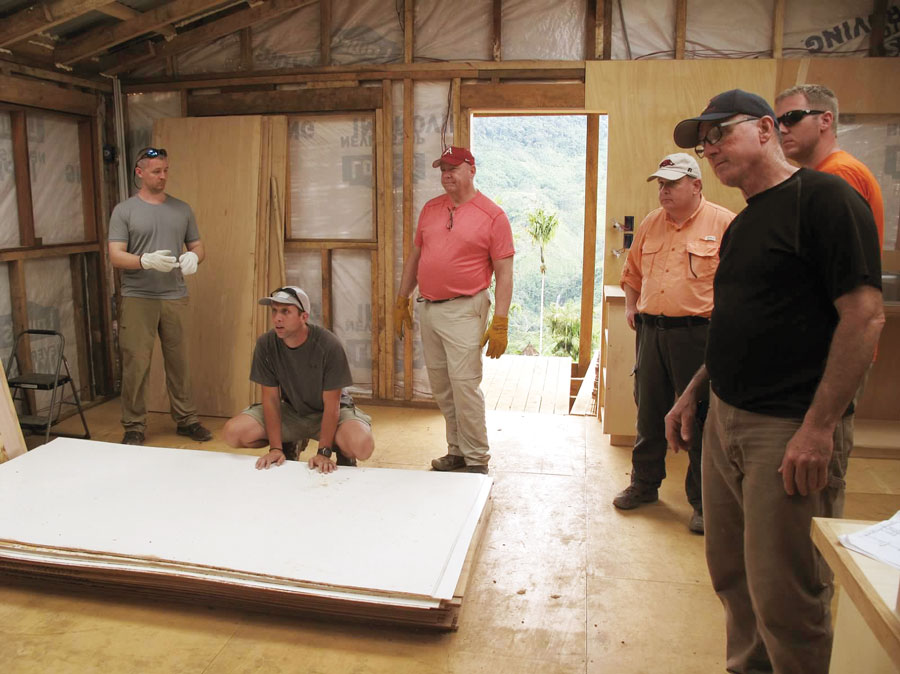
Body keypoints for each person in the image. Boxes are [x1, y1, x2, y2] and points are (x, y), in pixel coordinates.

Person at [667, 89, 884, 673]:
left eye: (720, 133)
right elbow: (744, 320)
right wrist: (695, 391)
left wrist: (817, 430)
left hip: (787, 429)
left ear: (766, 129)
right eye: (703, 141)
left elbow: (864, 317)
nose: (710, 149)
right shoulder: (744, 223)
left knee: (787, 595)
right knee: (734, 579)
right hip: (727, 421)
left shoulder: (826, 200)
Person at [613, 153, 735, 535]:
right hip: (652, 333)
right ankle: (644, 485)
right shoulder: (652, 223)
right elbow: (631, 273)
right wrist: (633, 307)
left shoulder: (725, 223)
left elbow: (739, 286)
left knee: (698, 417)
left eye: (672, 183)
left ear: (696, 185)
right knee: (648, 411)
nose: (663, 191)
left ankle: (701, 502)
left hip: (699, 335)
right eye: (661, 184)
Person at [394, 146, 514, 475]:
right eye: (442, 168)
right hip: (429, 308)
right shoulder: (431, 209)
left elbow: (504, 272)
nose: (446, 174)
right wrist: (403, 297)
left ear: (471, 169)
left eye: (453, 168)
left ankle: (476, 460)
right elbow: (416, 257)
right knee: (442, 386)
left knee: (464, 385)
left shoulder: (492, 216)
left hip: (465, 308)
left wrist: (501, 321)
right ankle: (457, 450)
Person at [108, 147, 212, 446]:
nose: (163, 176)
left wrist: (194, 258)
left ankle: (187, 419)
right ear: (139, 173)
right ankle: (134, 425)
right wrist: (143, 261)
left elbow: (198, 246)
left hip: (174, 295)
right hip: (138, 295)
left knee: (179, 362)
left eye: (166, 169)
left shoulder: (182, 209)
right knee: (136, 362)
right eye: (156, 171)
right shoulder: (124, 211)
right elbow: (115, 255)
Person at [222, 286, 374, 474]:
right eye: (275, 311)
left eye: (286, 311)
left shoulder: (328, 345)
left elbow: (332, 404)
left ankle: (342, 451)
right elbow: (270, 399)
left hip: (331, 411)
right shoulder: (266, 345)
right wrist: (275, 448)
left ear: (304, 317)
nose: (277, 318)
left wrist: (324, 452)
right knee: (233, 433)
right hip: (293, 411)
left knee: (362, 446)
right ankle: (289, 443)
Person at [775, 84, 885, 249]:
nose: (782, 129)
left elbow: (842, 256)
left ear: (825, 121)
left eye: (792, 118)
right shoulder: (822, 175)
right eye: (778, 122)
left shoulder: (838, 173)